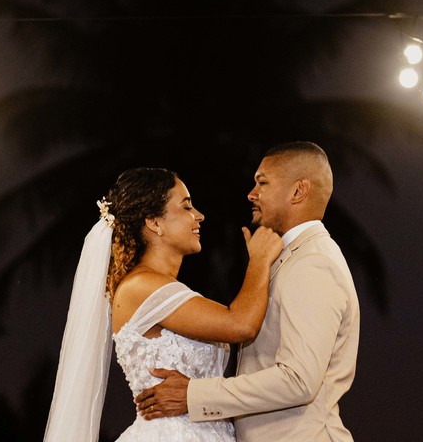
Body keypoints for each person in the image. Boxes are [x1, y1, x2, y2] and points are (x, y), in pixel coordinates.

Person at [133, 141, 361, 441]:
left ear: (298, 191)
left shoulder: (314, 261)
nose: (251, 194)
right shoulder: (288, 257)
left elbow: (298, 380)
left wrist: (194, 394)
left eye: (262, 183)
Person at [42, 166, 283, 442]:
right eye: (186, 207)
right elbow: (241, 325)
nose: (199, 216)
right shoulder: (140, 287)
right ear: (154, 222)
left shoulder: (162, 288)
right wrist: (260, 261)